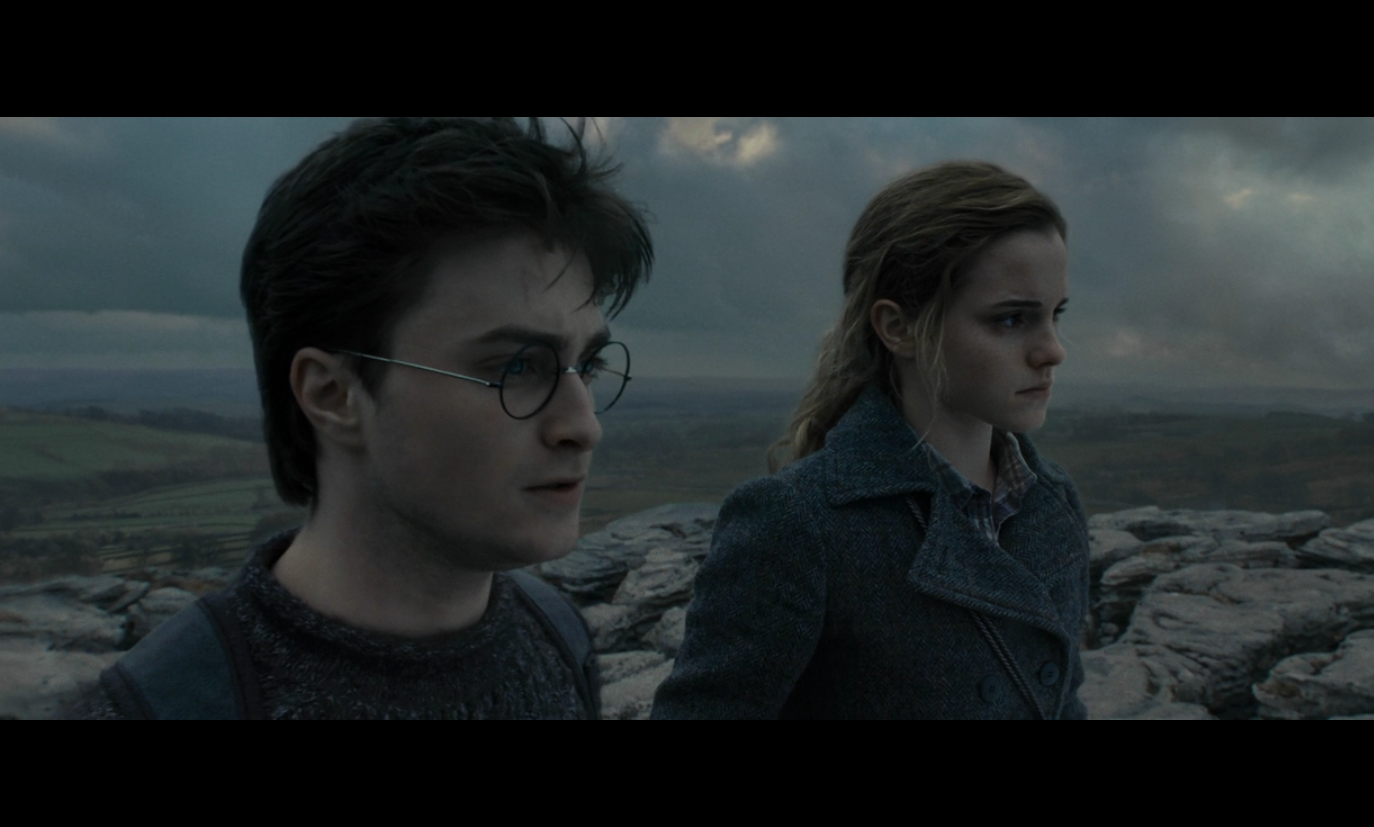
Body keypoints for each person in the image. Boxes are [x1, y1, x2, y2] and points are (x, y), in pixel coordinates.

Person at [70, 117, 653, 719]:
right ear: (332, 395)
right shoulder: (163, 707)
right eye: (516, 367)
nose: (583, 426)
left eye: (589, 364)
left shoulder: (558, 636)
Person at [651, 161, 1088, 719]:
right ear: (899, 328)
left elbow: (1060, 698)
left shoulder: (1051, 498)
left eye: (1055, 315)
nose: (1053, 350)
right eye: (1011, 320)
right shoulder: (798, 524)